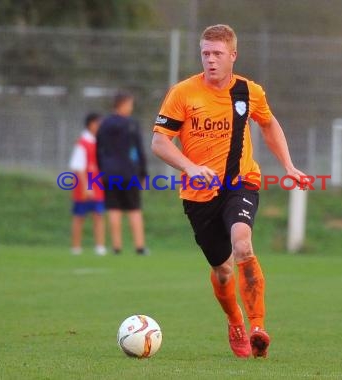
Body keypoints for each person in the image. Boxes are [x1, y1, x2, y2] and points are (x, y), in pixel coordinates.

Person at [151, 24, 307, 358]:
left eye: (217, 54)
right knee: (223, 271)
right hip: (198, 194)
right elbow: (159, 143)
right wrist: (191, 168)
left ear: (233, 55)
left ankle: (257, 327)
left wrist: (289, 166)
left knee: (243, 244)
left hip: (241, 182)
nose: (210, 60)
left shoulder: (250, 92)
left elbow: (267, 123)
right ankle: (234, 318)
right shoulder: (183, 93)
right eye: (205, 53)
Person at [96, 92, 148, 255]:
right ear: (123, 104)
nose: (131, 108)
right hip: (129, 172)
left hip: (109, 172)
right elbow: (139, 150)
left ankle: (116, 247)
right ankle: (139, 246)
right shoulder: (131, 124)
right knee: (134, 209)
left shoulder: (104, 124)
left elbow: (99, 150)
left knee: (114, 208)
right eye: (130, 105)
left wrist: (102, 169)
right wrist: (143, 173)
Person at [68, 113, 106, 256]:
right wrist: (86, 187)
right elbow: (78, 167)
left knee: (99, 215)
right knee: (79, 217)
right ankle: (76, 247)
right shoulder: (82, 143)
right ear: (90, 124)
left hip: (98, 185)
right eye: (98, 124)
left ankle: (100, 247)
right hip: (84, 186)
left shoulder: (100, 142)